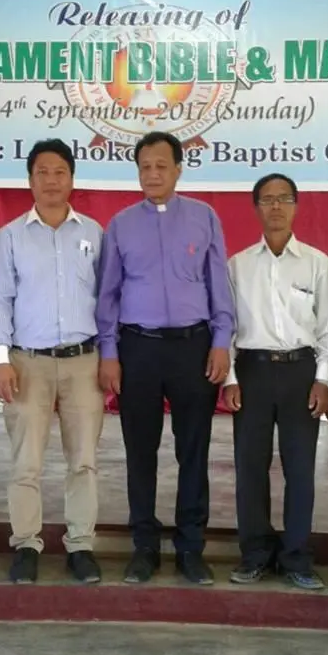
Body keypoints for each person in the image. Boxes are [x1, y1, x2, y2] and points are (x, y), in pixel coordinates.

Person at [96, 131, 234, 585]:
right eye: (145, 167)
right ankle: (144, 547)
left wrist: (221, 341)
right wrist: (110, 351)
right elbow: (108, 294)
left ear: (178, 169)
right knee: (140, 451)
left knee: (193, 450)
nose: (152, 174)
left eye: (161, 166)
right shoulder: (120, 225)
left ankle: (191, 548)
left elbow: (218, 285)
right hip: (138, 348)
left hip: (194, 348)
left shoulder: (204, 217)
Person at [0, 138, 106, 585]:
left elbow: (107, 300)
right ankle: (26, 545)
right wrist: (0, 360)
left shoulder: (93, 233)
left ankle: (81, 545)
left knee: (84, 460)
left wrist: (110, 356)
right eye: (43, 172)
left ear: (72, 179)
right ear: (30, 180)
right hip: (27, 363)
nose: (52, 180)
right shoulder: (11, 235)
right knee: (26, 462)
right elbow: (1, 299)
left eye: (60, 172)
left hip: (83, 362)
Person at [223, 173, 328, 590]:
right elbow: (227, 327)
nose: (275, 206)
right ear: (255, 207)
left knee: (300, 469)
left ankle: (296, 558)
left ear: (296, 206)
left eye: (284, 199)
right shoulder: (238, 265)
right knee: (250, 468)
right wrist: (230, 378)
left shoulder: (317, 263)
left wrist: (323, 380)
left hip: (300, 373)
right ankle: (254, 554)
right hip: (251, 372)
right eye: (267, 199)